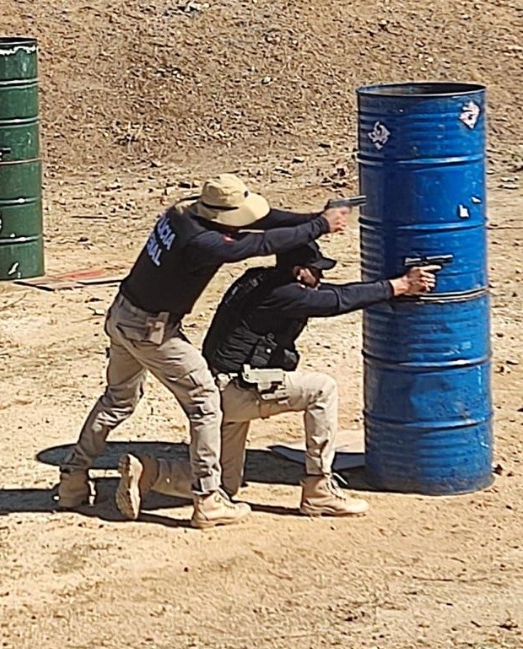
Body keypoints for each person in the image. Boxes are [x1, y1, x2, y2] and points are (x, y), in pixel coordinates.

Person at [57, 173, 349, 530]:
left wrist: (313, 219)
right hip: (152, 330)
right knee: (206, 401)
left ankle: (72, 480)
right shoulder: (204, 243)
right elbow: (259, 243)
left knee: (117, 400)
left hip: (122, 314)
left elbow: (263, 219)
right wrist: (318, 225)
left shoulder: (182, 212)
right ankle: (209, 499)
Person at [115, 240, 438, 520]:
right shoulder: (285, 295)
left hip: (218, 387)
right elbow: (338, 300)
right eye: (315, 270)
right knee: (322, 391)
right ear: (298, 271)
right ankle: (319, 488)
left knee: (224, 485)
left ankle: (149, 472)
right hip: (237, 391)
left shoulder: (257, 280)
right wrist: (400, 286)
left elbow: (332, 293)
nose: (320, 276)